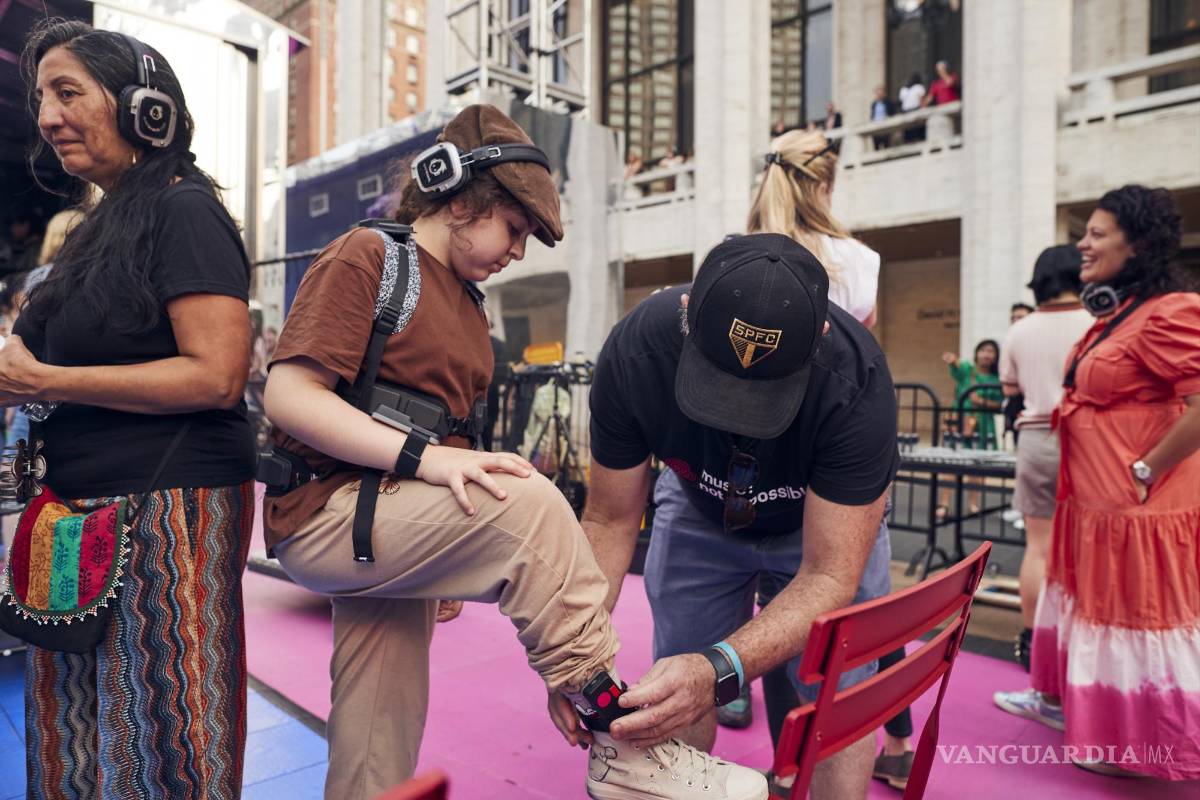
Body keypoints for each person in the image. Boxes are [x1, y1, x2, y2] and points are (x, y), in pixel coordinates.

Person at [261, 104, 767, 800]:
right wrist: (427, 461)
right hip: (325, 511)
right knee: (527, 500)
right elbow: (289, 397)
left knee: (380, 728)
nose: (519, 251)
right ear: (461, 197)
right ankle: (620, 738)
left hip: (384, 525)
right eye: (515, 228)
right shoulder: (370, 256)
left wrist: (436, 553)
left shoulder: (470, 308)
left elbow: (454, 437)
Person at [6, 20, 257, 798]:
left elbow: (216, 376)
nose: (47, 116)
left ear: (144, 107)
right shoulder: (98, 228)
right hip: (76, 510)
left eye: (68, 92)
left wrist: (44, 380)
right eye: (41, 97)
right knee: (76, 741)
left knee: (168, 738)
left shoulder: (183, 210)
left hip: (166, 505)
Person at [581, 233, 900, 800]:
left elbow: (829, 575)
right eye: (718, 387)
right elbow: (608, 520)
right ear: (687, 310)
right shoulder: (636, 354)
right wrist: (575, 653)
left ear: (821, 334)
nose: (740, 419)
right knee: (674, 685)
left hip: (818, 526)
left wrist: (721, 668)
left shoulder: (857, 382)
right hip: (697, 509)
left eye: (761, 395)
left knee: (839, 697)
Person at [996, 185, 1200, 780]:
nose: (1082, 243)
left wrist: (1147, 468)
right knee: (1103, 619)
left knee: (1135, 622)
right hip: (1093, 506)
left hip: (1136, 509)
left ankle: (1142, 750)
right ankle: (1105, 728)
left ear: (1134, 243)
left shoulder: (1171, 310)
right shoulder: (1122, 312)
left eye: (1096, 233)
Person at [749, 129, 914, 792]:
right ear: (826, 183)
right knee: (857, 620)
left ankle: (791, 767)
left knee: (779, 616)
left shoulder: (740, 256)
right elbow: (858, 367)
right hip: (844, 465)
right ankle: (877, 749)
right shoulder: (857, 260)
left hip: (763, 464)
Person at [998, 246, 1092, 672]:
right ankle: (1083, 643)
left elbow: (1010, 392)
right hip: (1090, 438)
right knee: (1089, 546)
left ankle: (1033, 641)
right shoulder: (1098, 323)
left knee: (1038, 547)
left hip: (1035, 438)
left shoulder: (1020, 330)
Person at [4, 207, 86, 451]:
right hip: (77, 392)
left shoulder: (39, 277)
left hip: (34, 389)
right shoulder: (96, 278)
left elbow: (19, 337)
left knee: (17, 473)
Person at [898, 73, 925, 143]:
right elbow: (922, 102)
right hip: (915, 109)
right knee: (917, 129)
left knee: (908, 130)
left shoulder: (903, 89)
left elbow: (901, 102)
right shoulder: (919, 87)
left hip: (905, 111)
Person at [869, 85, 895, 151]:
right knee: (876, 146)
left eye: (881, 93)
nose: (879, 95)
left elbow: (892, 113)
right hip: (876, 127)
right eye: (878, 94)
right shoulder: (874, 104)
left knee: (886, 146)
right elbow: (872, 115)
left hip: (885, 126)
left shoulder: (888, 103)